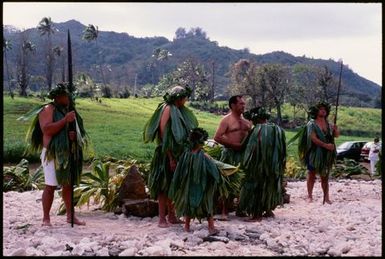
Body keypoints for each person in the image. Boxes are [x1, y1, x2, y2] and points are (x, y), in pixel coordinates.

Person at [18, 83, 88, 226]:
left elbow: (74, 130)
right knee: (50, 186)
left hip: (67, 153)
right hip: (51, 153)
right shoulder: (47, 110)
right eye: (66, 95)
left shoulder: (68, 110)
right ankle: (46, 219)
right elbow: (47, 130)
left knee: (68, 185)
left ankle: (70, 216)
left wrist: (74, 136)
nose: (69, 98)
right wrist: (64, 120)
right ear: (58, 97)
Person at [143, 85, 198, 227]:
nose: (186, 101)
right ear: (179, 98)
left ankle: (172, 215)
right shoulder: (167, 109)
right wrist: (170, 157)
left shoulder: (179, 110)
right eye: (184, 98)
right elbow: (163, 134)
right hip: (166, 153)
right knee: (164, 185)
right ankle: (162, 218)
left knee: (173, 184)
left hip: (177, 153)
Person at [168, 128, 221, 235]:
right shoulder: (203, 156)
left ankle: (187, 226)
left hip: (188, 186)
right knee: (207, 205)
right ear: (201, 142)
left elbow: (179, 170)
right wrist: (218, 176)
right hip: (202, 186)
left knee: (188, 205)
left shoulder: (186, 154)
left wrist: (178, 182)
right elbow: (213, 171)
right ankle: (211, 227)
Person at [239, 107, 287, 221]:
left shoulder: (257, 130)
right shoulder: (277, 129)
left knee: (257, 185)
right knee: (269, 184)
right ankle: (268, 210)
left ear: (255, 119)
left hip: (259, 165)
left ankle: (257, 215)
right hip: (273, 165)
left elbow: (249, 147)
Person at [213, 95, 252, 220]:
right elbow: (217, 137)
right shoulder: (226, 120)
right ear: (233, 105)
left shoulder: (247, 121)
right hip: (230, 153)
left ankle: (241, 209)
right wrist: (233, 145)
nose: (243, 106)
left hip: (244, 155)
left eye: (244, 104)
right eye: (241, 104)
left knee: (244, 181)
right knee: (228, 181)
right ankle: (224, 211)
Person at [295, 101, 339, 204]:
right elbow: (313, 138)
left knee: (325, 176)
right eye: (321, 109)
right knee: (311, 174)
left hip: (326, 154)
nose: (323, 111)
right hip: (314, 153)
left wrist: (336, 130)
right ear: (316, 111)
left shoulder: (329, 124)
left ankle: (326, 197)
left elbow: (336, 135)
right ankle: (309, 196)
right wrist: (326, 145)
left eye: (325, 109)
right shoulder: (312, 123)